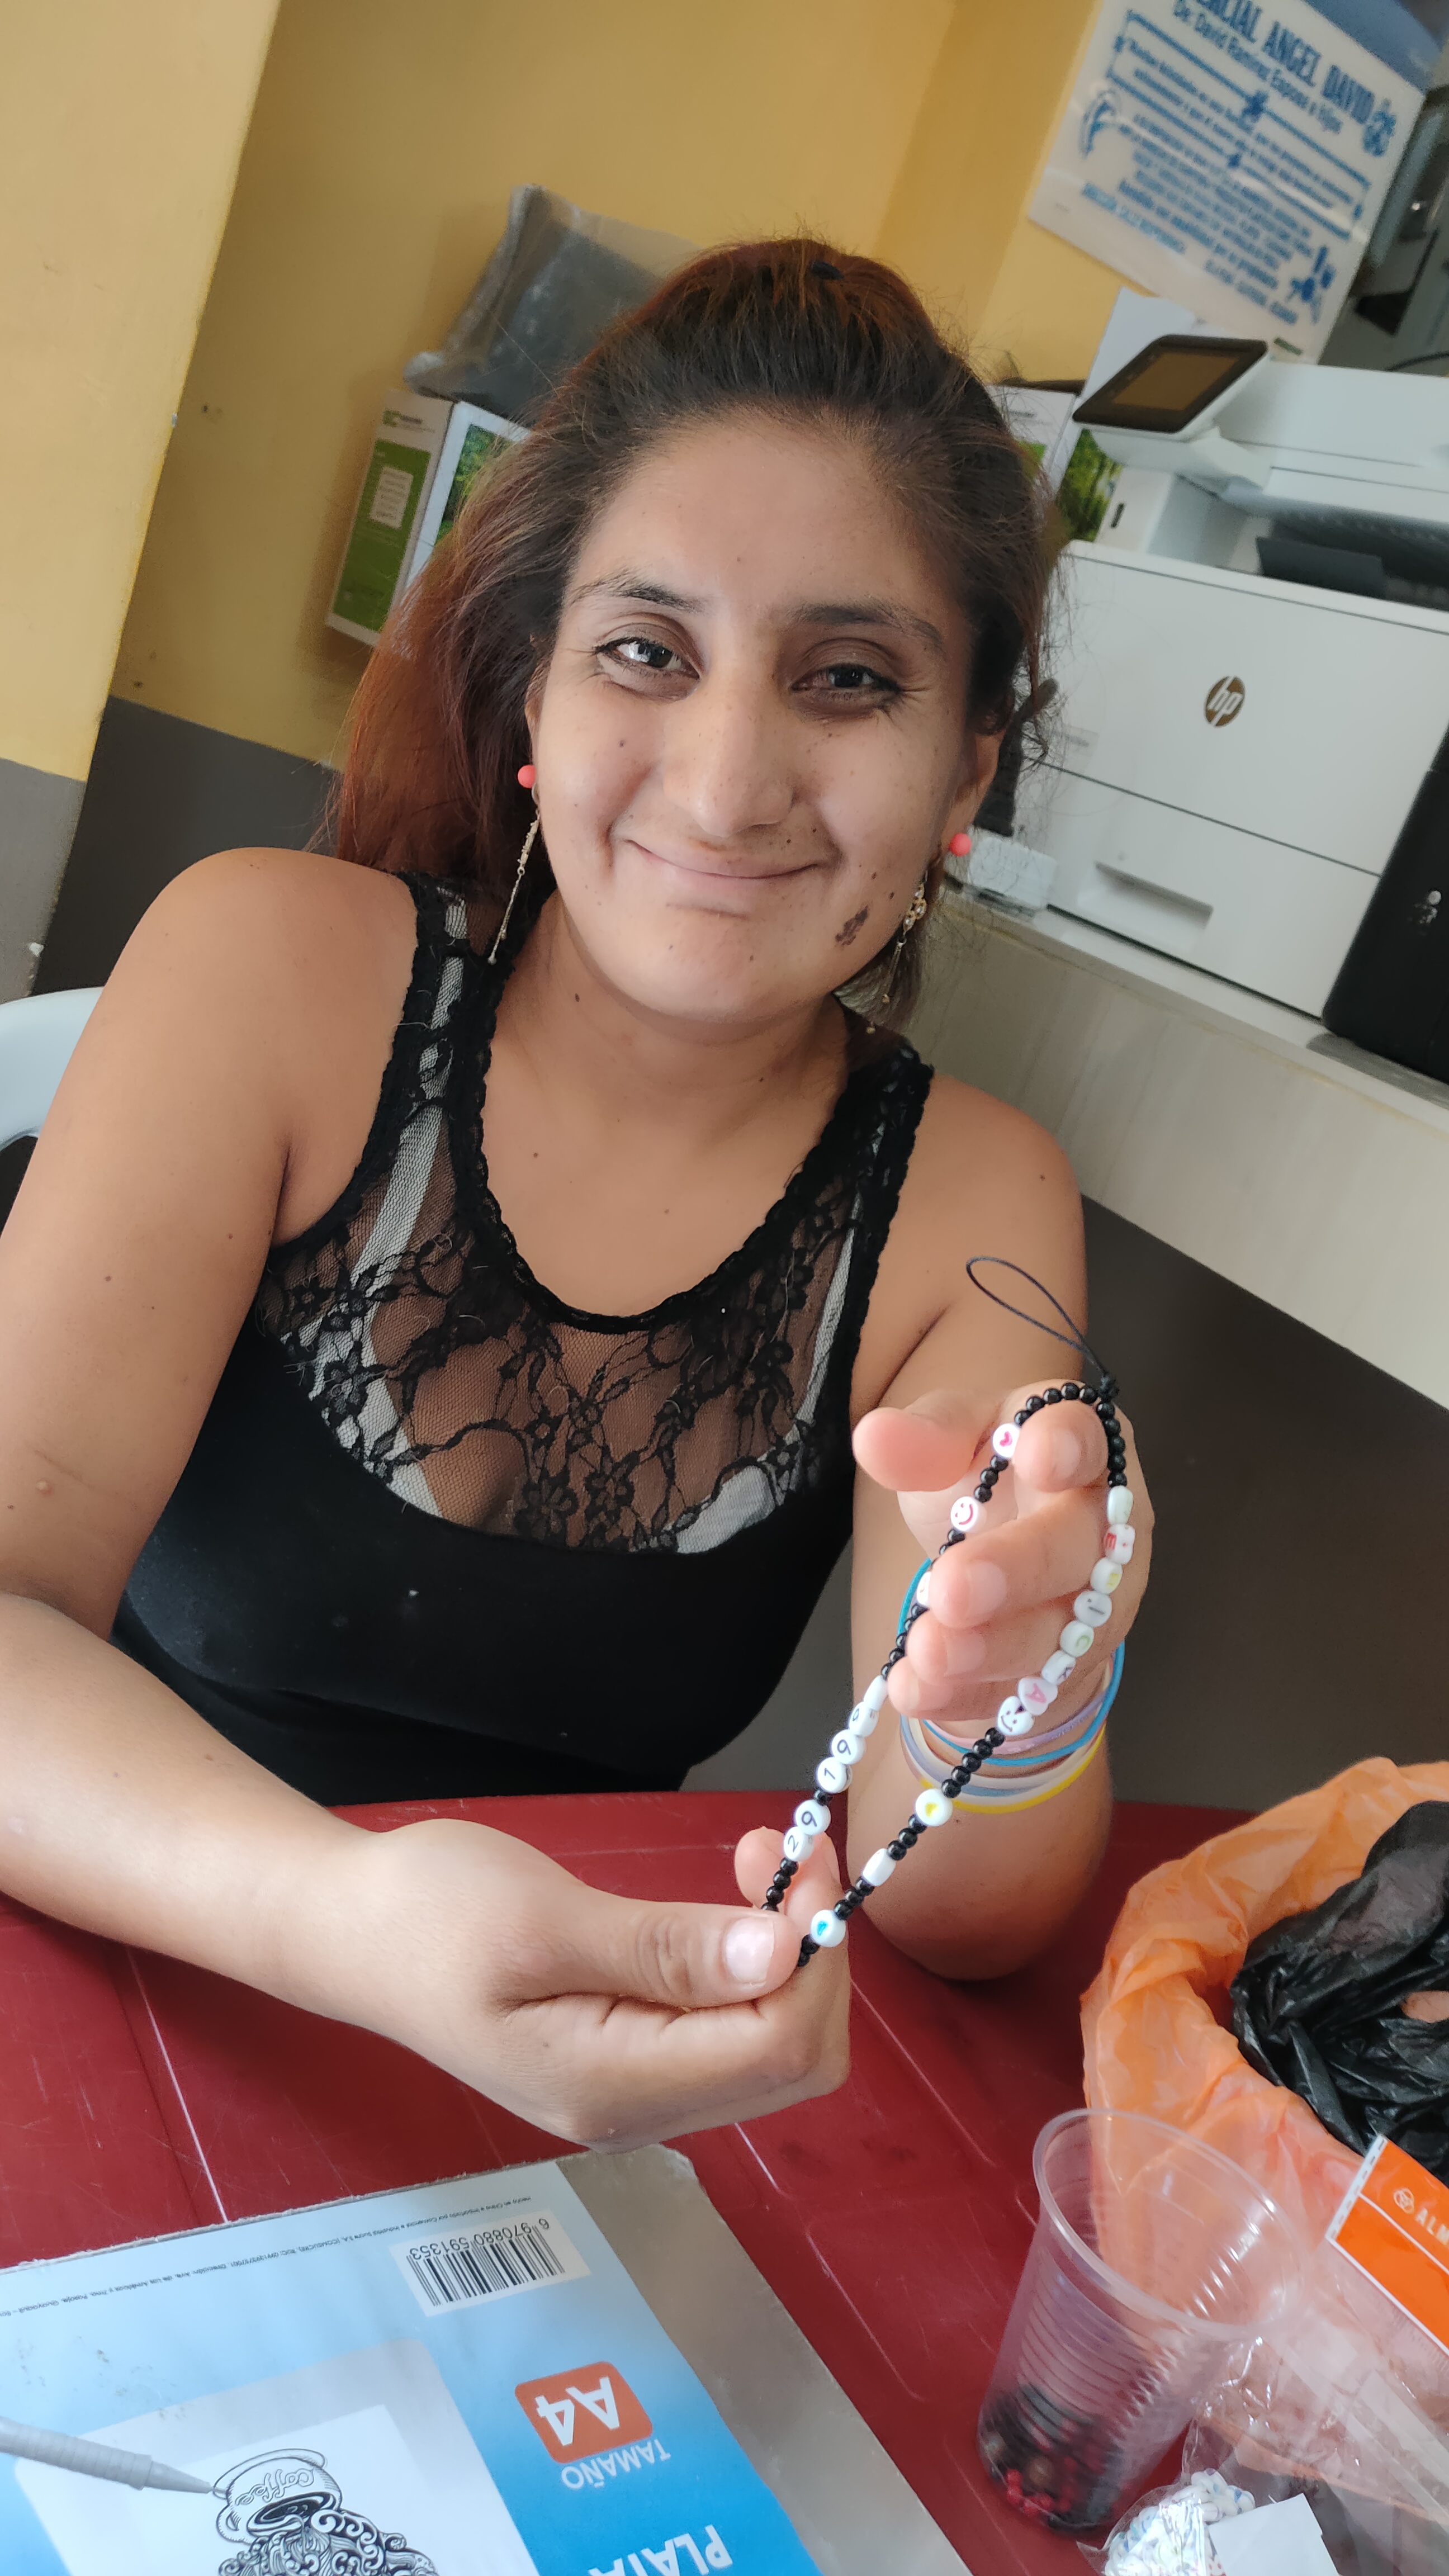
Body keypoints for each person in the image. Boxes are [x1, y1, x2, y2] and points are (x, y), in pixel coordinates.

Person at [0, 241, 1150, 2150]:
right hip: (99, 1965)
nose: (727, 781)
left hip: (562, 2098)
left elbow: (959, 1922)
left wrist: (1024, 1691)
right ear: (532, 687)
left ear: (968, 764)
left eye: (847, 679)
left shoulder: (973, 1197)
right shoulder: (265, 968)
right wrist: (347, 1919)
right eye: (646, 652)